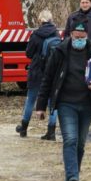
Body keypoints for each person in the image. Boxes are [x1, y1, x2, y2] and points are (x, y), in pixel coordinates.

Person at [35, 17, 91, 181]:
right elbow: (48, 78)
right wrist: (40, 106)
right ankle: (72, 178)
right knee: (70, 139)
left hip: (87, 103)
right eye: (76, 37)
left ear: (87, 36)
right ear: (70, 35)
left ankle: (73, 179)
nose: (79, 40)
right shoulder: (60, 51)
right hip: (66, 103)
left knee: (80, 144)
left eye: (82, 37)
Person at [16, 10, 59, 140]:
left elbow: (28, 54)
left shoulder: (36, 35)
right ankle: (51, 132)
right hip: (52, 72)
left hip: (37, 71)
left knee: (31, 100)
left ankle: (23, 128)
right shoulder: (56, 33)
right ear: (51, 20)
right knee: (52, 102)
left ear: (40, 20)